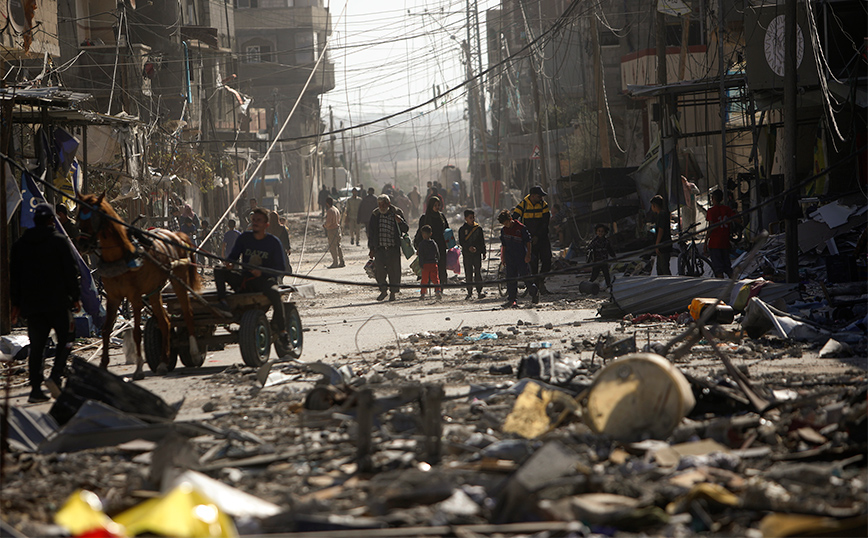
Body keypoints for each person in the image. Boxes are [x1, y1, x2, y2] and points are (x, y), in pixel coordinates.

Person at [11, 203, 81, 403]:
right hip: (58, 304)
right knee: (67, 339)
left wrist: (16, 304)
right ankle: (56, 375)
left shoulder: (20, 245)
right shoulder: (59, 242)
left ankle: (35, 390)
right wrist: (75, 297)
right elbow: (71, 271)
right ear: (52, 220)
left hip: (32, 307)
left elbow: (14, 277)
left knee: (37, 347)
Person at [215, 208, 290, 346]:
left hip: (265, 280)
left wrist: (262, 273)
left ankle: (283, 331)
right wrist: (229, 264)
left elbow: (280, 268)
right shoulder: (244, 238)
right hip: (245, 279)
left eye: (259, 220)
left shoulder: (273, 242)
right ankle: (223, 303)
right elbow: (233, 257)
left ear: (266, 224)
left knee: (275, 294)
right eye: (253, 220)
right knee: (218, 271)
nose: (255, 223)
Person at [367, 194, 409, 302]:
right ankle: (383, 290)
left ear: (388, 204)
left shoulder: (397, 213)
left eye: (383, 204)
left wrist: (400, 221)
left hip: (393, 248)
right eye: (379, 204)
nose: (381, 206)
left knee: (394, 271)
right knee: (379, 271)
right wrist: (371, 248)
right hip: (379, 248)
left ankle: (393, 293)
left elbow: (405, 229)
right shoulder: (375, 214)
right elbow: (371, 233)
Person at [513, 185, 552, 294]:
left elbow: (545, 222)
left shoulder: (544, 205)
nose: (541, 198)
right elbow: (514, 219)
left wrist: (538, 236)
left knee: (547, 259)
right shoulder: (523, 205)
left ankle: (540, 281)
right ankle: (535, 286)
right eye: (539, 196)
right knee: (532, 262)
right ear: (533, 196)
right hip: (528, 239)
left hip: (542, 237)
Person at [498, 209, 538, 308]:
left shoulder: (521, 228)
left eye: (507, 222)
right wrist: (503, 257)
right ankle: (512, 300)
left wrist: (528, 255)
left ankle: (534, 294)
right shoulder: (504, 230)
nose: (506, 225)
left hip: (521, 257)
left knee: (526, 277)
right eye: (504, 223)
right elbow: (504, 245)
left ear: (510, 219)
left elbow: (528, 242)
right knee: (510, 279)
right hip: (510, 257)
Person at [415, 196, 450, 292]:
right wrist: (418, 246)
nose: (437, 207)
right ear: (430, 206)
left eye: (438, 205)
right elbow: (420, 232)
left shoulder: (441, 217)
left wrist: (450, 244)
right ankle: (427, 289)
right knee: (428, 268)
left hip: (441, 246)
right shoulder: (424, 218)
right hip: (428, 247)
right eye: (435, 205)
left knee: (441, 267)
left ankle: (440, 289)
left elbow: (447, 230)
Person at [706, 189, 739, 278]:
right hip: (725, 242)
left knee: (718, 269)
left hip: (715, 243)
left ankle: (721, 288)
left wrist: (706, 242)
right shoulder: (727, 209)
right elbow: (739, 220)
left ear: (713, 198)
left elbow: (710, 228)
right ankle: (734, 284)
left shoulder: (711, 211)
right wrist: (736, 212)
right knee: (728, 268)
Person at [458, 209, 486, 300]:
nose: (472, 219)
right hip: (467, 254)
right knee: (468, 273)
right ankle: (469, 292)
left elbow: (482, 241)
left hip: (477, 254)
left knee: (478, 272)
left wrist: (483, 251)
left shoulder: (478, 229)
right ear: (466, 218)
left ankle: (479, 291)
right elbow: (461, 242)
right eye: (470, 218)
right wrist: (468, 247)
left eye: (473, 217)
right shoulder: (462, 230)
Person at [587, 224, 616, 289]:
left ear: (605, 233)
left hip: (604, 261)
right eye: (599, 231)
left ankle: (609, 286)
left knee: (606, 274)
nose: (600, 233)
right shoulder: (594, 242)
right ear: (596, 232)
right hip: (597, 261)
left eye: (602, 231)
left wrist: (614, 256)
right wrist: (589, 259)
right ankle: (588, 284)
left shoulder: (606, 242)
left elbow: (610, 250)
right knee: (594, 275)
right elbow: (589, 250)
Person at [417, 224, 442, 300]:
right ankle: (437, 291)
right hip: (433, 263)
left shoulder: (421, 244)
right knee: (435, 279)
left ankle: (423, 294)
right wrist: (437, 260)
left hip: (425, 264)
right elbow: (437, 253)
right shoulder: (434, 243)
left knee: (424, 279)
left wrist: (421, 264)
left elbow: (420, 256)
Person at [650, 194, 672, 275]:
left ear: (654, 205)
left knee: (664, 268)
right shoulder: (664, 214)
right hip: (664, 244)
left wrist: (657, 244)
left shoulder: (661, 215)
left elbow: (661, 230)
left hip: (663, 245)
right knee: (660, 268)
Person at [323, 197, 345, 268]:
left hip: (332, 230)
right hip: (338, 229)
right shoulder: (336, 209)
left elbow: (329, 222)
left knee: (333, 247)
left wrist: (325, 225)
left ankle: (335, 262)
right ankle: (342, 261)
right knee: (338, 246)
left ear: (327, 203)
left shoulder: (330, 211)